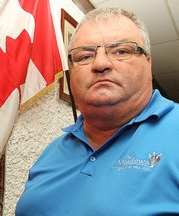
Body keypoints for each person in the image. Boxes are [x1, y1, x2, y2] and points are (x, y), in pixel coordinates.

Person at [15, 7, 179, 216]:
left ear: (148, 64)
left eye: (121, 51)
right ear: (71, 72)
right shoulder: (52, 151)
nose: (100, 64)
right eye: (84, 56)